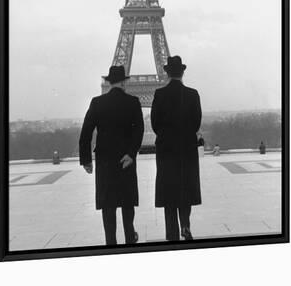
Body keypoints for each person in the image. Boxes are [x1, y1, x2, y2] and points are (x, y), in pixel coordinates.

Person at [79, 65, 144, 245]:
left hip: (105, 161)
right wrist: (131, 154)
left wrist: (86, 160)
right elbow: (139, 130)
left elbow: (86, 133)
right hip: (126, 160)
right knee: (127, 202)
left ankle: (111, 241)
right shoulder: (133, 102)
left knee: (108, 205)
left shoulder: (97, 102)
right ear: (124, 82)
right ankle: (130, 237)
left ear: (109, 82)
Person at [151, 56, 202, 242]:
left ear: (167, 72)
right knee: (185, 189)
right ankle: (186, 224)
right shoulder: (193, 94)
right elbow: (196, 122)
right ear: (182, 72)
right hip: (187, 148)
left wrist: (166, 136)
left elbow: (155, 123)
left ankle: (171, 232)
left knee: (169, 192)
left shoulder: (159, 94)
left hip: (166, 150)